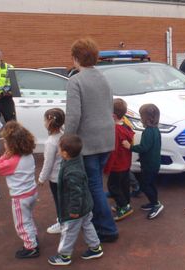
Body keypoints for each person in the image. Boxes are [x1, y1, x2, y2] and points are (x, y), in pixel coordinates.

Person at [64, 38, 118, 242]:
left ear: (76, 58)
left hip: (88, 141)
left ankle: (107, 229)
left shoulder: (75, 81)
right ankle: (97, 223)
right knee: (95, 184)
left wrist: (66, 141)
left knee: (93, 186)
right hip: (106, 138)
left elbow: (73, 116)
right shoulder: (104, 78)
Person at [47, 134, 103, 266]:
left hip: (76, 209)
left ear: (65, 153)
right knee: (87, 224)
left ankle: (64, 256)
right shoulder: (76, 158)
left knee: (69, 231)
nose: (58, 151)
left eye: (59, 149)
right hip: (85, 205)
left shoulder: (72, 171)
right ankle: (95, 248)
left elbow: (76, 193)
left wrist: (73, 210)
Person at [0, 121, 39, 259]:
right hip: (32, 193)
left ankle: (31, 247)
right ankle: (33, 236)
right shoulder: (28, 154)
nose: (4, 144)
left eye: (6, 142)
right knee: (28, 218)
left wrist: (5, 155)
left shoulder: (12, 161)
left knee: (21, 223)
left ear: (12, 145)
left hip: (20, 198)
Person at [122, 104, 164, 220]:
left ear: (146, 118)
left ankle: (156, 204)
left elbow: (144, 147)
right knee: (150, 184)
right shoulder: (155, 130)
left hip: (149, 164)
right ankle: (153, 201)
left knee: (145, 185)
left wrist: (129, 147)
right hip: (154, 163)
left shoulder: (148, 132)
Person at [104, 98, 135, 221]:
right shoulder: (126, 126)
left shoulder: (115, 131)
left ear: (113, 115)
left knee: (113, 187)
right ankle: (125, 203)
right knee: (124, 185)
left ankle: (123, 206)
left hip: (116, 165)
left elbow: (114, 151)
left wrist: (107, 166)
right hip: (125, 163)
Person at [38, 108, 65, 234]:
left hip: (56, 178)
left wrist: (42, 178)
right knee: (66, 200)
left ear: (48, 122)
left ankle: (62, 222)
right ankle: (65, 219)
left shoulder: (50, 142)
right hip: (66, 174)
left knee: (59, 201)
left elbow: (48, 163)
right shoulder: (64, 136)